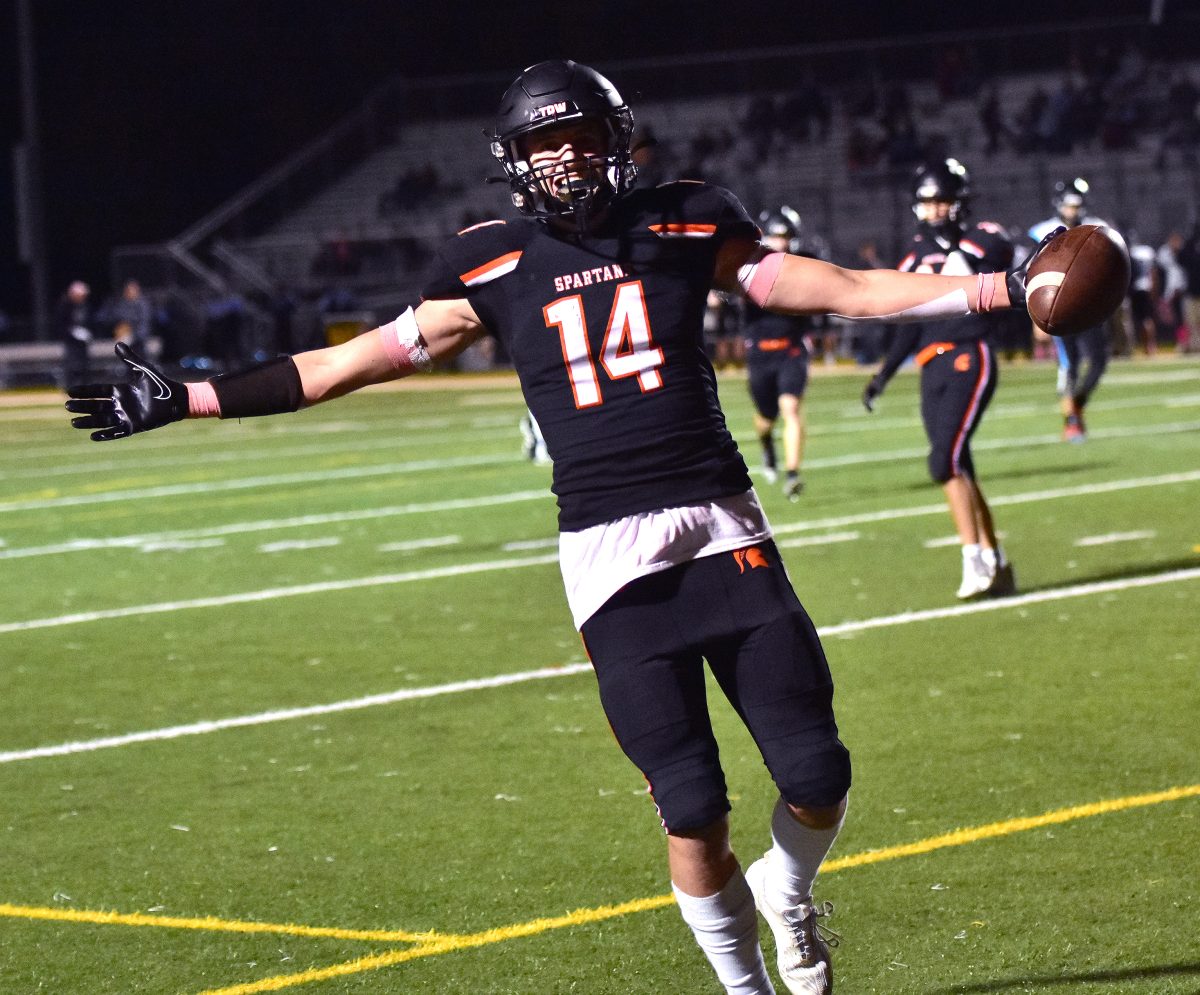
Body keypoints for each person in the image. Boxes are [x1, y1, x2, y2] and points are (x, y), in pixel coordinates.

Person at [66, 60, 1044, 995]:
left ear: (618, 142)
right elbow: (345, 363)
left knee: (818, 770)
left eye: (583, 138)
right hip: (611, 560)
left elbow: (852, 289)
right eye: (548, 143)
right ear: (513, 159)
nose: (568, 160)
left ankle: (789, 891)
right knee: (694, 806)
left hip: (717, 524)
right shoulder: (488, 260)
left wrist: (1005, 290)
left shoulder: (688, 217)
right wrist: (188, 396)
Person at [863, 158, 1017, 601]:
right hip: (931, 363)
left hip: (970, 352)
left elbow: (993, 271)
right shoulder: (913, 253)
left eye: (941, 200)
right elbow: (909, 321)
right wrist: (884, 374)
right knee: (959, 463)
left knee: (943, 460)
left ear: (959, 202)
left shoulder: (986, 235)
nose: (933, 210)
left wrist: (955, 247)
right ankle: (996, 560)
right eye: (926, 202)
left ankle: (973, 559)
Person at [1028, 178, 1112, 441]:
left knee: (1099, 361)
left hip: (1090, 307)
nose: (1074, 211)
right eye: (1069, 205)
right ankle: (1071, 421)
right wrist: (1035, 316)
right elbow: (1031, 275)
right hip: (1058, 306)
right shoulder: (1042, 231)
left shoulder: (1098, 228)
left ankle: (1077, 404)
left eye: (1077, 205)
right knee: (1068, 364)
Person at [743, 207, 815, 500]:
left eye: (785, 236)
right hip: (760, 353)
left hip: (792, 350)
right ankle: (767, 446)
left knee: (791, 409)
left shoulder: (806, 265)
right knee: (765, 417)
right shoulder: (746, 266)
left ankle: (793, 473)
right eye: (775, 236)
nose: (781, 242)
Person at [55, 280, 93, 388]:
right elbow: (61, 325)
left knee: (84, 366)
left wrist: (86, 333)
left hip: (83, 342)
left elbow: (90, 322)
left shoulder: (85, 306)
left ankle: (86, 387)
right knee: (71, 366)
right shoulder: (65, 305)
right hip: (71, 341)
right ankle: (70, 388)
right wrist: (73, 332)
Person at [110, 279, 154, 353]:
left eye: (132, 290)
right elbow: (117, 316)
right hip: (126, 332)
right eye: (128, 290)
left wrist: (136, 334)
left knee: (139, 353)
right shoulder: (123, 303)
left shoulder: (142, 303)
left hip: (138, 333)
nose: (129, 292)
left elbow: (144, 320)